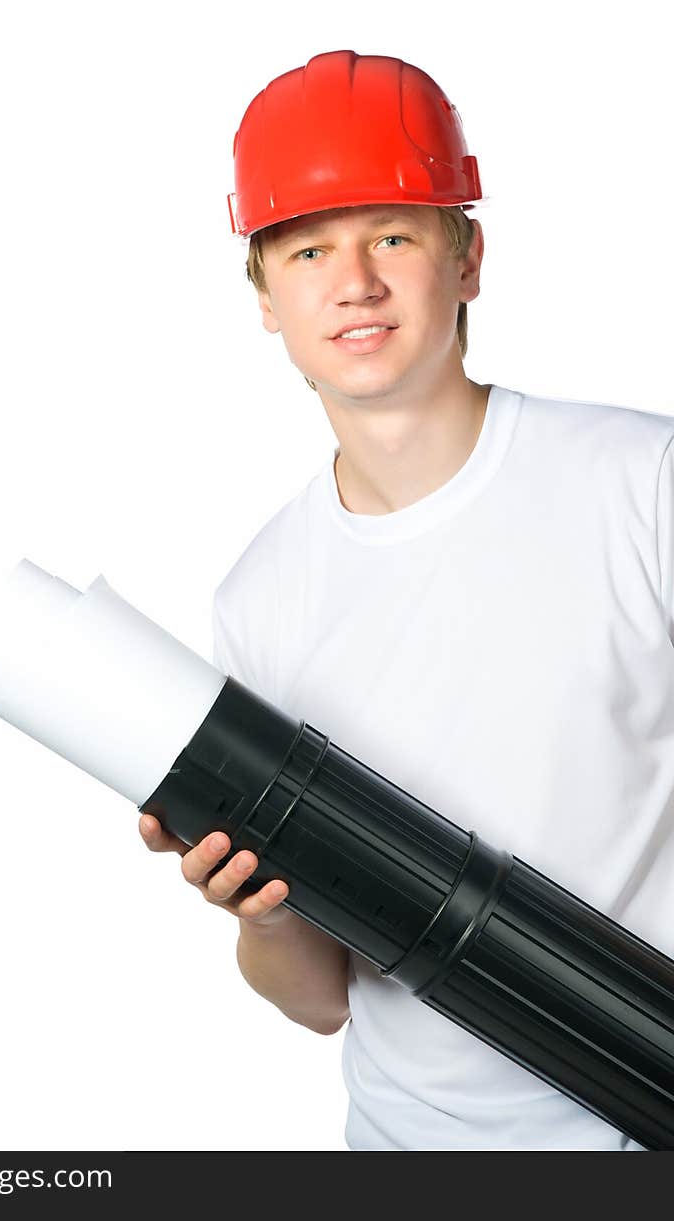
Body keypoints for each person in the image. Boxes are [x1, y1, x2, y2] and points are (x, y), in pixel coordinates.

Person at [139, 49, 674, 1150]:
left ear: (466, 257)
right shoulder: (261, 598)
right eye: (306, 249)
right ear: (266, 299)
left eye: (392, 235)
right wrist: (258, 912)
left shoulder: (640, 485)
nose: (354, 283)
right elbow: (321, 999)